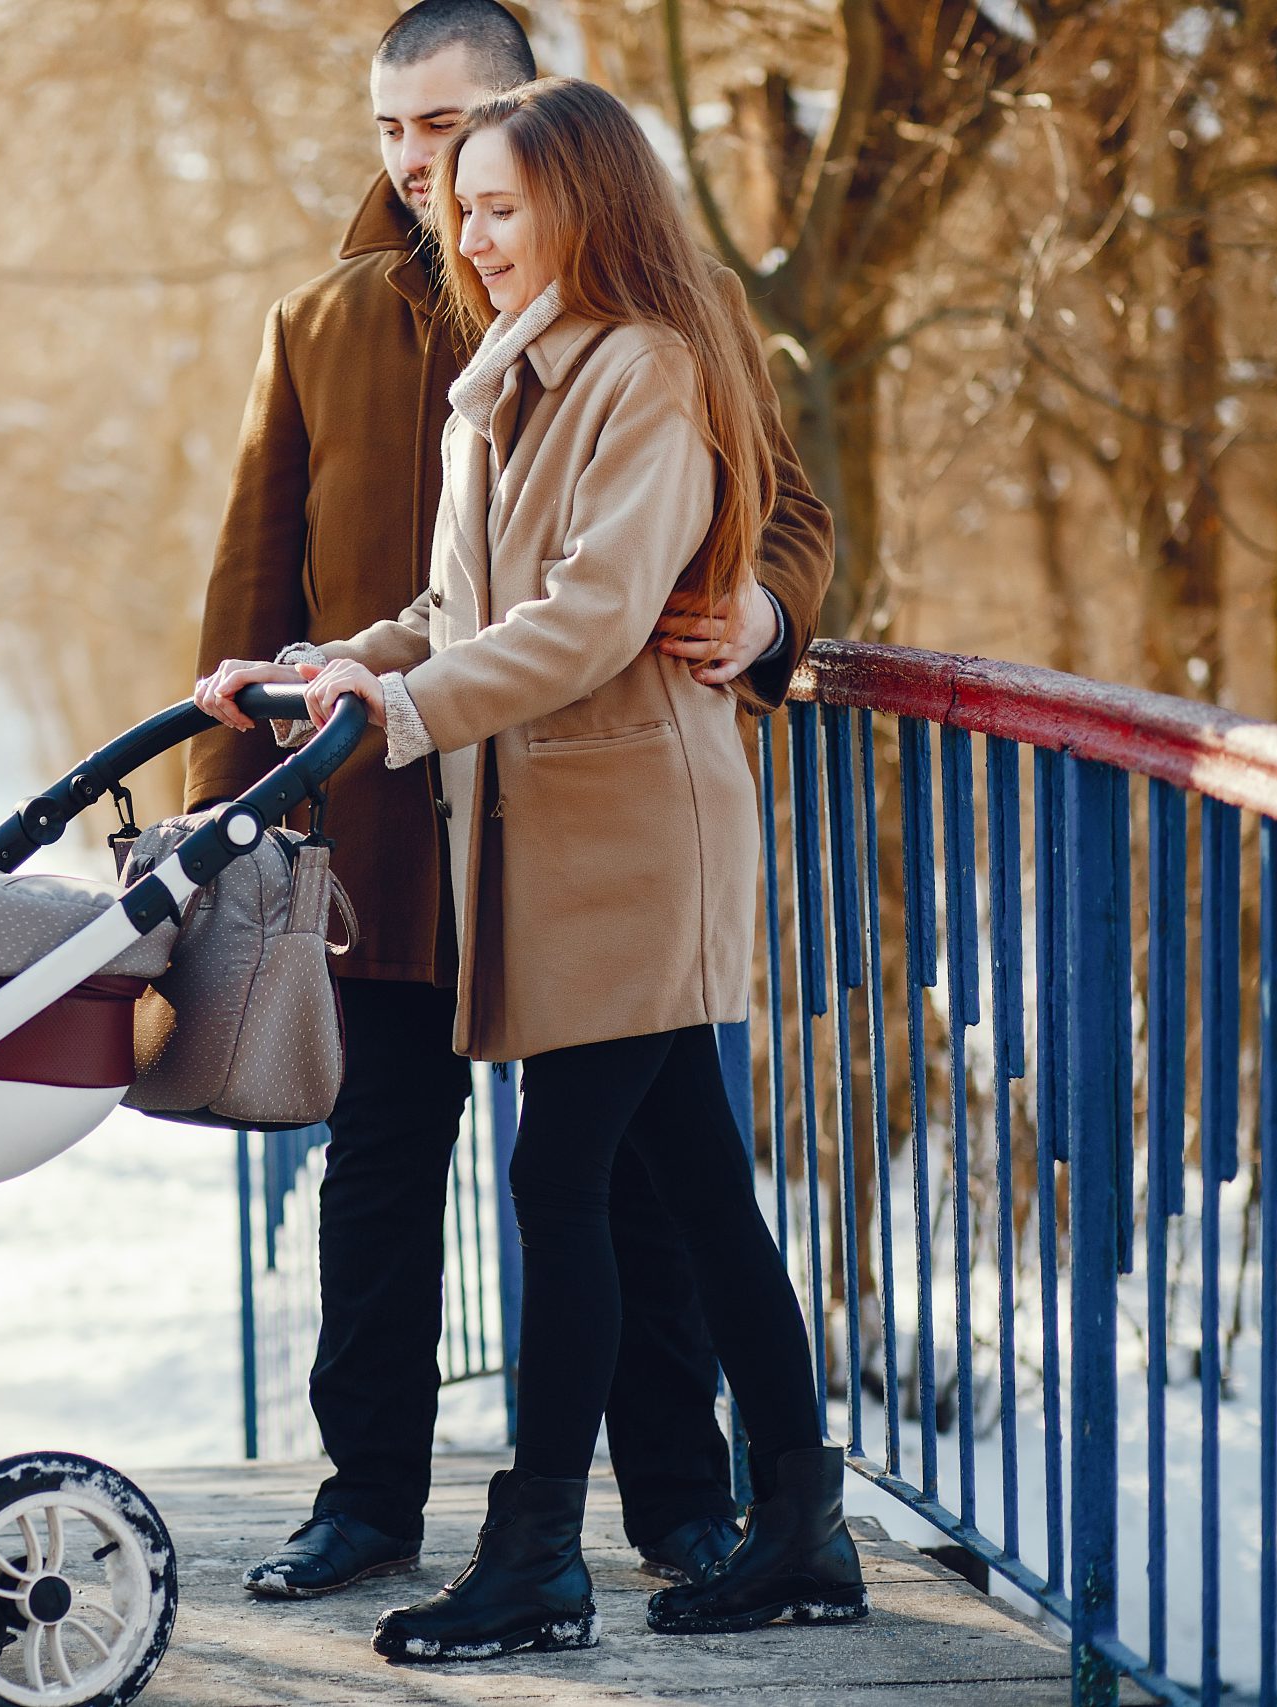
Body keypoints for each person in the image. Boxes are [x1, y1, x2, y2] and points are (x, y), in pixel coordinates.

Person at [197, 74, 868, 1660]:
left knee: (558, 1182)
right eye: (463, 211)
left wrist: (408, 712)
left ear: (587, 203)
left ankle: (537, 1558)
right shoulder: (500, 376)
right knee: (700, 1190)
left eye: (503, 207)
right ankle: (802, 1522)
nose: (473, 235)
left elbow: (591, 617)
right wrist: (331, 667)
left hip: (633, 840)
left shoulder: (650, 368)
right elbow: (454, 610)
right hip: (551, 840)